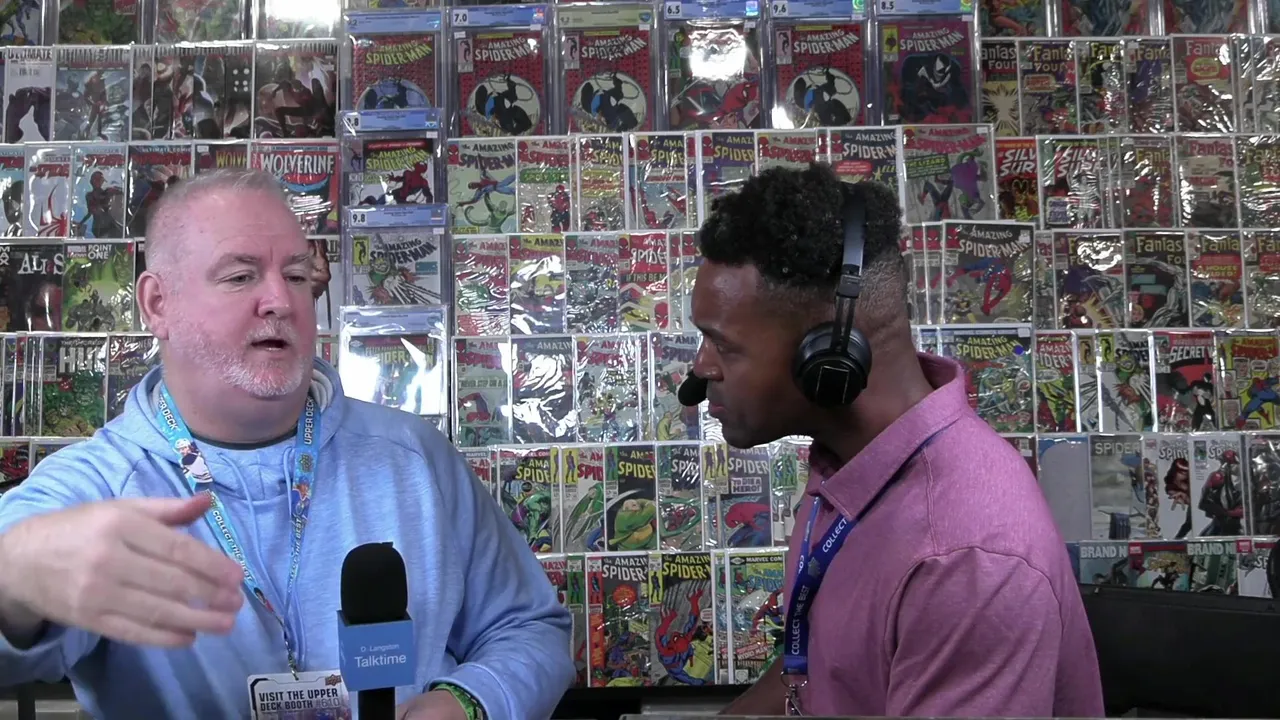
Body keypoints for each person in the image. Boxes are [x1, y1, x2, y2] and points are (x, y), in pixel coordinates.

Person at [0, 169, 574, 720]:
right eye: (240, 276)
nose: (280, 299)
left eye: (297, 276)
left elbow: (531, 629)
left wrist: (467, 704)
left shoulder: (414, 458)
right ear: (157, 304)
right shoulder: (96, 486)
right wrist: (17, 583)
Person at [696, 164, 1104, 717]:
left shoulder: (963, 558)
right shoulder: (850, 465)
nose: (701, 368)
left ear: (829, 352)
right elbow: (811, 669)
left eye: (723, 344)